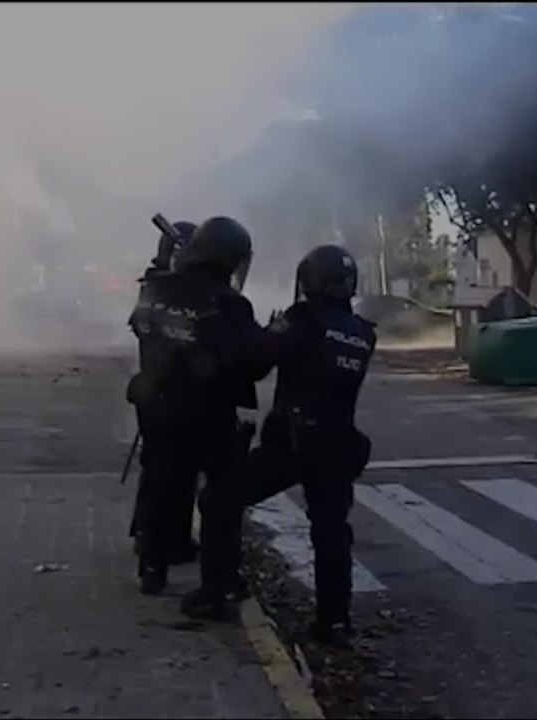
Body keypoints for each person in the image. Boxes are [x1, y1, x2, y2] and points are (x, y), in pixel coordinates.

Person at [127, 216, 267, 621]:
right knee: (222, 496)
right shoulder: (229, 302)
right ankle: (220, 581)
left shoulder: (155, 288)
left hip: (157, 405)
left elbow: (141, 327)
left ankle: (152, 567)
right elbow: (248, 363)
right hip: (209, 411)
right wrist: (270, 336)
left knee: (159, 482)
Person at [240, 244, 376, 648]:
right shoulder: (363, 332)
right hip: (337, 445)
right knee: (332, 533)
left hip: (293, 444)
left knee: (218, 500)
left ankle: (221, 589)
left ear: (310, 281)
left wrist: (264, 329)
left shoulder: (302, 322)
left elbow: (259, 358)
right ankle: (334, 622)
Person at [129, 220, 200, 569]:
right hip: (171, 394)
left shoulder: (157, 286)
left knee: (167, 471)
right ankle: (155, 545)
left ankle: (163, 540)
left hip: (156, 394)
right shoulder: (165, 288)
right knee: (168, 472)